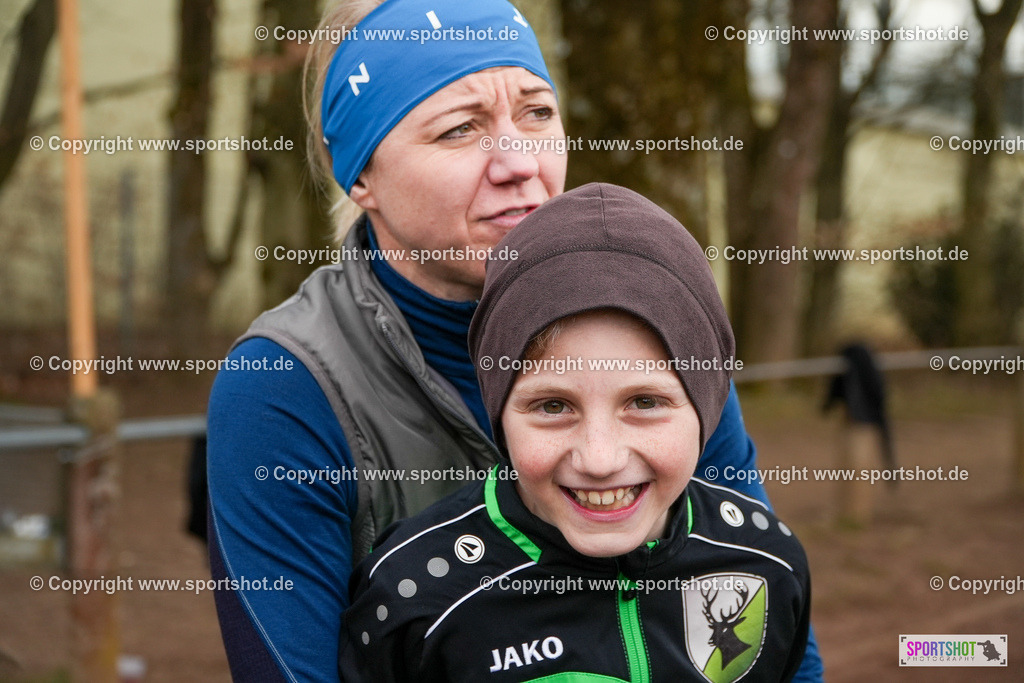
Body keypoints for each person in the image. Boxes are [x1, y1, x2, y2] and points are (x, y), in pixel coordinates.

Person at [206, 0, 824, 680]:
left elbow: (761, 603)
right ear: (359, 174)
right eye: (459, 129)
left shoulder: (650, 316)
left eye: (536, 113)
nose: (520, 162)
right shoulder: (283, 386)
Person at [339, 183, 811, 681]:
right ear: (500, 414)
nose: (600, 459)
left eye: (644, 402)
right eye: (553, 406)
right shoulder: (413, 598)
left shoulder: (768, 561)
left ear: (708, 410)